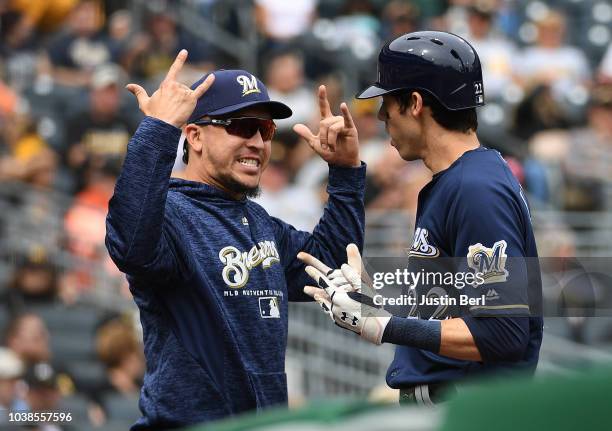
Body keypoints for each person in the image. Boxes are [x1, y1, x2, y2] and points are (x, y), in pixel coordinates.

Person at [105, 50, 365, 429]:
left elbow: (335, 267)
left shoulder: (259, 221)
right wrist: (159, 129)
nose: (258, 143)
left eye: (266, 130)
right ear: (193, 135)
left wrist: (344, 174)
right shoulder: (171, 215)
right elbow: (129, 245)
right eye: (242, 127)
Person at [299, 31, 543, 405]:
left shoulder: (476, 188)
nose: (381, 117)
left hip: (468, 410)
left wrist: (384, 325)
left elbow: (502, 334)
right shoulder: (461, 179)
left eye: (387, 104)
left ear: (414, 103)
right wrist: (374, 305)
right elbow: (449, 310)